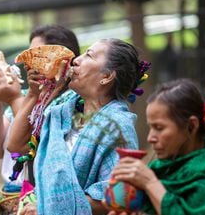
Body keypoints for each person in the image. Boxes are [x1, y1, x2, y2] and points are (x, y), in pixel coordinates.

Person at [8, 38, 148, 214]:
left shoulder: (118, 127)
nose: (76, 60)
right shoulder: (62, 115)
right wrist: (36, 93)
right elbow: (15, 146)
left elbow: (118, 199)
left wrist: (48, 209)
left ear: (107, 76)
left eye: (89, 55)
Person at [0, 24, 80, 193]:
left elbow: (36, 140)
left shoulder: (75, 99)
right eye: (29, 54)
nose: (30, 61)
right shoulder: (25, 95)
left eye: (38, 55)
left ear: (62, 59)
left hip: (47, 195)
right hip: (14, 195)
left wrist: (13, 99)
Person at [108, 78, 205, 215]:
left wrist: (150, 183)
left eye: (159, 127)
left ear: (191, 126)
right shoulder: (159, 169)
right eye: (150, 128)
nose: (150, 138)